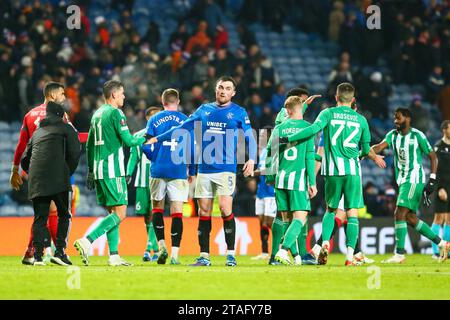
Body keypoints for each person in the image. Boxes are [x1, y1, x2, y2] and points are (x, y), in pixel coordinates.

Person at [147, 76, 257, 267]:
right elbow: (181, 127)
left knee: (224, 208)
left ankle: (230, 255)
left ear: (233, 93)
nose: (223, 91)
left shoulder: (239, 112)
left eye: (227, 88)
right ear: (216, 90)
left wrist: (252, 158)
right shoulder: (204, 110)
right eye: (220, 87)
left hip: (226, 168)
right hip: (204, 168)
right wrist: (158, 138)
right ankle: (204, 256)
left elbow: (250, 136)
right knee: (203, 210)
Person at [280, 83, 386, 266]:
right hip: (353, 172)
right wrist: (373, 156)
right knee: (352, 213)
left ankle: (325, 242)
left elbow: (312, 130)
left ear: (336, 97)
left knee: (331, 210)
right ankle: (350, 256)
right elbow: (366, 149)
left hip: (332, 172)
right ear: (353, 100)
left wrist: (289, 138)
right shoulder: (361, 120)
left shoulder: (327, 114)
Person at [73, 80, 149, 266]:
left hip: (99, 170)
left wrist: (91, 170)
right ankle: (87, 240)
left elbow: (89, 144)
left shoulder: (97, 114)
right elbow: (129, 141)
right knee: (121, 213)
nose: (124, 96)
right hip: (112, 170)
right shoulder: (116, 113)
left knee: (113, 213)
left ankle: (114, 255)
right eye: (122, 93)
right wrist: (147, 137)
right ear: (113, 94)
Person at [371, 108, 449, 263]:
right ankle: (442, 243)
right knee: (410, 218)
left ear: (407, 118)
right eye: (394, 118)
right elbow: (379, 147)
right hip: (402, 180)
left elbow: (433, 157)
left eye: (398, 118)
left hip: (413, 179)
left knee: (399, 213)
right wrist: (364, 152)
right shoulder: (392, 135)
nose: (395, 121)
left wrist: (432, 179)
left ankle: (399, 254)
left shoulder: (417, 135)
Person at [10, 81, 67, 265]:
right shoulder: (60, 115)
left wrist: (15, 169)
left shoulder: (29, 114)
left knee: (43, 212)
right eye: (62, 94)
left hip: (34, 169)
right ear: (52, 96)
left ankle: (32, 252)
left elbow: (21, 145)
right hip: (53, 168)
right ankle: (57, 251)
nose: (64, 98)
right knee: (51, 212)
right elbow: (71, 137)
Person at [21, 102, 81, 266]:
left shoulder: (37, 133)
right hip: (58, 178)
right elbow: (75, 152)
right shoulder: (66, 129)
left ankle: (38, 257)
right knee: (64, 214)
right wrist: (66, 171)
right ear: (62, 115)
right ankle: (60, 252)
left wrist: (34, 173)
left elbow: (25, 160)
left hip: (37, 180)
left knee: (40, 218)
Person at [143, 89, 196, 265]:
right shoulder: (186, 121)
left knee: (157, 209)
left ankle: (161, 246)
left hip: (158, 169)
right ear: (178, 101)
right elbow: (192, 149)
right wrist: (193, 171)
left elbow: (145, 145)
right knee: (177, 212)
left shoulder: (154, 119)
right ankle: (174, 255)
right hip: (178, 170)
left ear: (162, 101)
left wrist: (154, 158)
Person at [267, 96, 317, 265]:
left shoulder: (279, 128)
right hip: (297, 180)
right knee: (300, 218)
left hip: (280, 180)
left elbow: (270, 151)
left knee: (287, 220)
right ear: (300, 108)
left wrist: (269, 176)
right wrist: (312, 182)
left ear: (287, 110)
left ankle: (292, 258)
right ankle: (282, 250)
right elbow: (310, 157)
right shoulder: (308, 128)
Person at [126, 106, 162, 263]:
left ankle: (148, 248)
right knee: (147, 216)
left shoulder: (164, 135)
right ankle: (155, 249)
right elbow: (133, 157)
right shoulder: (139, 135)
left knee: (155, 213)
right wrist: (128, 173)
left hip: (158, 179)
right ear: (148, 118)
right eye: (153, 116)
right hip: (141, 181)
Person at [252, 126, 276, 260]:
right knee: (261, 222)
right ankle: (265, 252)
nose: (260, 138)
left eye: (262, 136)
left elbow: (271, 170)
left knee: (270, 222)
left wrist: (254, 173)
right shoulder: (263, 152)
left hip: (271, 192)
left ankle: (283, 247)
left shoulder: (274, 151)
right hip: (261, 191)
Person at [431, 120, 450, 259]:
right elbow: (435, 170)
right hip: (441, 187)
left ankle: (447, 251)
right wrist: (439, 188)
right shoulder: (438, 148)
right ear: (444, 130)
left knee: (449, 220)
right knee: (439, 219)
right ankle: (436, 251)